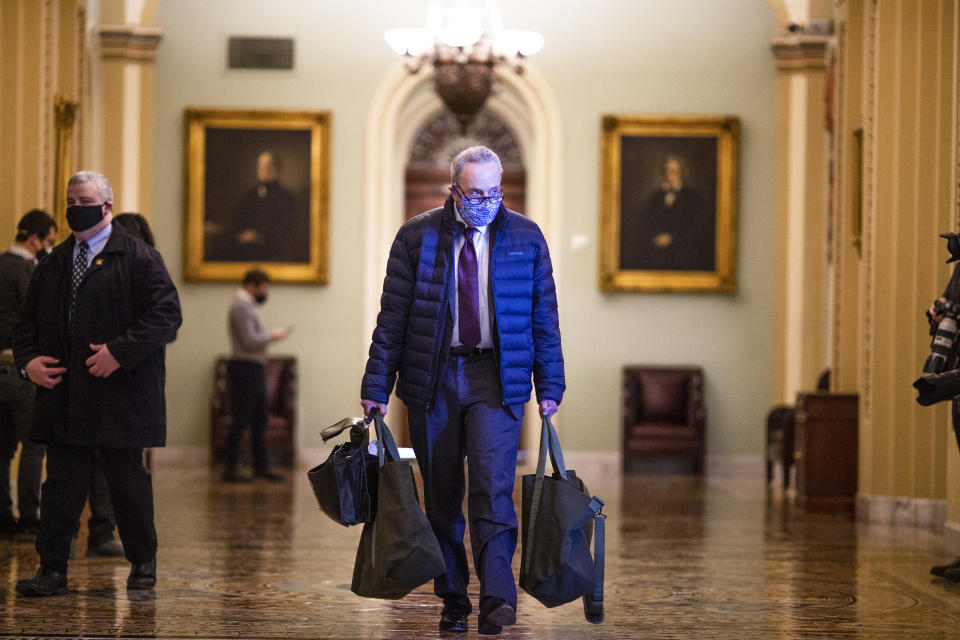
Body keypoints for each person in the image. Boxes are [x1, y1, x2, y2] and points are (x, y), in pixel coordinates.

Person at [360, 146, 565, 635]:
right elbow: (392, 318)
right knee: (443, 497)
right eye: (475, 193)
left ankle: (498, 598)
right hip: (433, 378)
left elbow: (544, 317)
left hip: (497, 378)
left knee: (493, 490)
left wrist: (550, 383)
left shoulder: (526, 237)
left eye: (495, 192)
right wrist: (376, 385)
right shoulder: (416, 237)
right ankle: (453, 598)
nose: (485, 201)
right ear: (454, 190)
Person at [12, 170, 182, 596]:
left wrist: (118, 352)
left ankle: (143, 564)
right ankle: (52, 569)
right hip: (64, 397)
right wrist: (28, 362)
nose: (74, 208)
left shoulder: (140, 258)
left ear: (106, 206)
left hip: (120, 399)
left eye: (83, 199)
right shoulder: (53, 262)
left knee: (128, 487)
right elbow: (25, 325)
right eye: (69, 201)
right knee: (61, 488)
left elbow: (166, 316)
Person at [0, 209, 57, 535]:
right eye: (49, 240)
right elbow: (39, 319)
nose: (49, 247)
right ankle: (29, 518)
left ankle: (2, 516)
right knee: (33, 448)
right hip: (21, 370)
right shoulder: (29, 271)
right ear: (35, 239)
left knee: (1, 449)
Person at [222, 268, 288, 482]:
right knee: (242, 418)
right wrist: (273, 336)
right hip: (245, 367)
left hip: (253, 366)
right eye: (264, 287)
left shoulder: (246, 304)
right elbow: (250, 340)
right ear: (253, 285)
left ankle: (261, 466)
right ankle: (230, 468)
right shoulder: (241, 305)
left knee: (260, 418)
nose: (265, 292)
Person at [208, 150, 307, 263]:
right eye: (261, 166)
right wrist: (227, 231)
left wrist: (259, 236)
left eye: (269, 166)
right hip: (244, 247)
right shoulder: (249, 195)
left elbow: (288, 231)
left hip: (272, 250)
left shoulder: (288, 198)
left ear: (278, 169)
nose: (264, 170)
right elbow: (236, 221)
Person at [619, 154, 714, 271]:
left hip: (683, 255)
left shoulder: (693, 198)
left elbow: (696, 228)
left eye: (675, 170)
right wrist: (655, 238)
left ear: (681, 173)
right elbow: (646, 224)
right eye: (668, 170)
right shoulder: (655, 197)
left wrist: (672, 239)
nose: (671, 173)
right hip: (657, 255)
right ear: (664, 173)